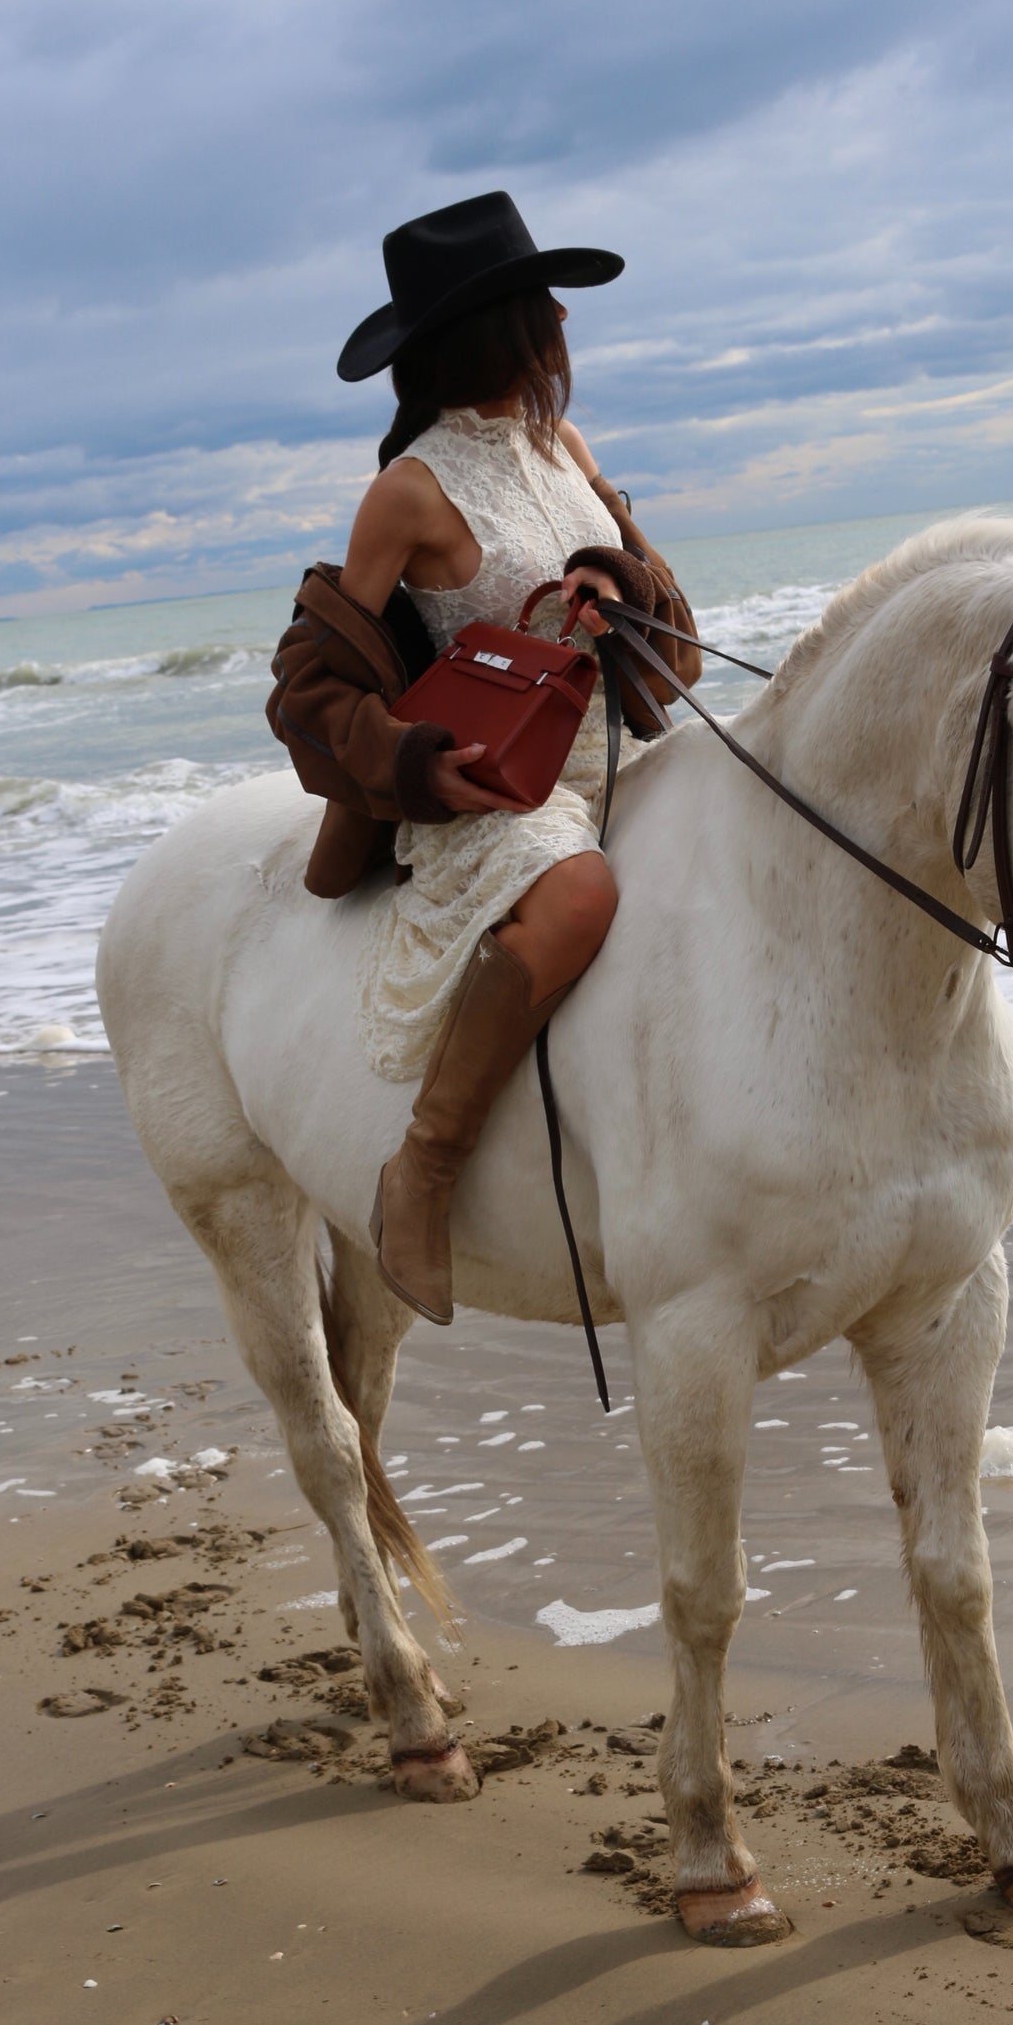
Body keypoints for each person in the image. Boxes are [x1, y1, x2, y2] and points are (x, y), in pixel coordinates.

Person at [265, 192, 698, 1324]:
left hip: (614, 753)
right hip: (498, 794)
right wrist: (414, 765)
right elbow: (309, 685)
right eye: (542, 301)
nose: (563, 317)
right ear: (497, 326)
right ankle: (425, 1165)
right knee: (579, 894)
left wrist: (611, 575)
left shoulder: (564, 446)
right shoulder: (407, 489)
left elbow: (672, 628)